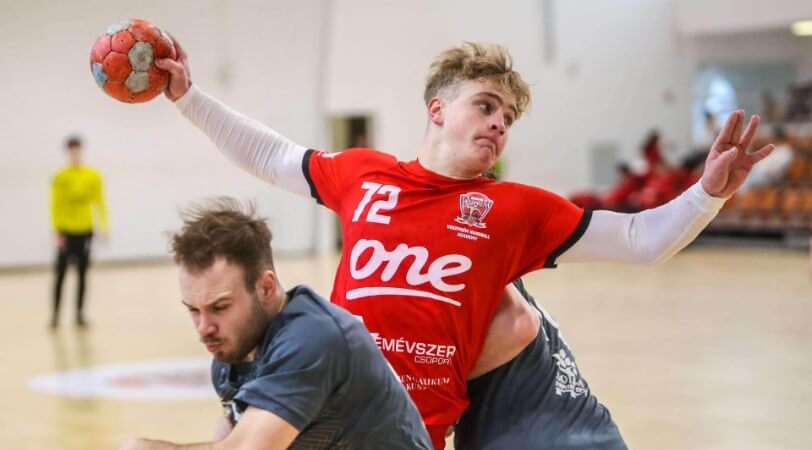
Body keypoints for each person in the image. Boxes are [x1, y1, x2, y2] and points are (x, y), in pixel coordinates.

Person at [155, 40, 773, 449]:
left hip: (405, 432)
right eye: (485, 105)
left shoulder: (517, 210)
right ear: (437, 109)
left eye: (508, 116)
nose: (499, 122)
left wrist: (707, 194)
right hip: (319, 406)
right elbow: (269, 154)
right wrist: (188, 97)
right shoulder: (364, 174)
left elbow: (641, 239)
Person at [118, 198, 432, 450]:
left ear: (266, 287)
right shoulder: (232, 352)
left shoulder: (313, 339)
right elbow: (231, 441)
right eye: (194, 310)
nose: (204, 328)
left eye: (220, 307)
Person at [49, 135, 109, 328]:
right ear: (68, 152)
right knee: (61, 275)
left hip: (85, 231)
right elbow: (55, 205)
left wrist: (104, 225)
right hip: (66, 232)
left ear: (81, 151)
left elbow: (100, 202)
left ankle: (79, 315)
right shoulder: (60, 177)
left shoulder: (92, 176)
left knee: (82, 275)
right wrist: (57, 231)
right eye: (71, 151)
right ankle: (55, 315)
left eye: (77, 150)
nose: (75, 154)